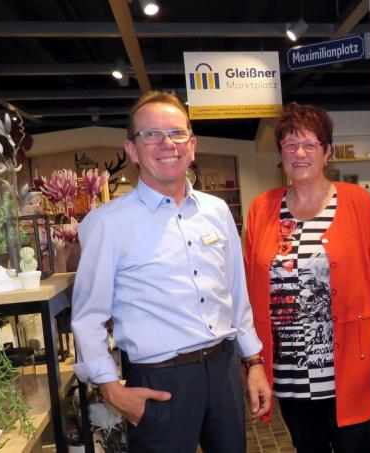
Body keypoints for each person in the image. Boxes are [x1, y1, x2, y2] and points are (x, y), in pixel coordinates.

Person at [71, 91, 271, 452]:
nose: (167, 143)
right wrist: (111, 389)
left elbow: (236, 295)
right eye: (151, 134)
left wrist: (253, 361)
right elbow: (88, 318)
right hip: (159, 382)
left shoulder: (217, 210)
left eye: (177, 133)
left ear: (192, 145)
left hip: (223, 371)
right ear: (131, 150)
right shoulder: (106, 224)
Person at [243, 102, 370, 453]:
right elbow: (246, 292)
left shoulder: (356, 203)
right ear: (281, 153)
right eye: (289, 145)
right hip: (289, 374)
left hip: (350, 368)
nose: (299, 153)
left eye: (310, 144)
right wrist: (254, 363)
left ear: (327, 152)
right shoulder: (261, 209)